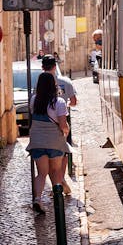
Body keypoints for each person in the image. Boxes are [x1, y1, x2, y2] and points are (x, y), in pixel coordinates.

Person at [26, 72, 70, 213]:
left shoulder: (33, 100)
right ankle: (57, 199)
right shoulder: (59, 102)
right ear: (53, 85)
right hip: (54, 142)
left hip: (37, 141)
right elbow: (63, 125)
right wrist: (66, 131)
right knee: (56, 170)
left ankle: (37, 199)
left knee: (41, 173)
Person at [41, 54, 77, 195]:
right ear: (55, 66)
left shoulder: (40, 83)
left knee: (51, 156)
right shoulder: (65, 81)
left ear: (42, 67)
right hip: (62, 122)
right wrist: (65, 104)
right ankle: (60, 179)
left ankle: (57, 183)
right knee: (63, 153)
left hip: (46, 124)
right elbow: (73, 101)